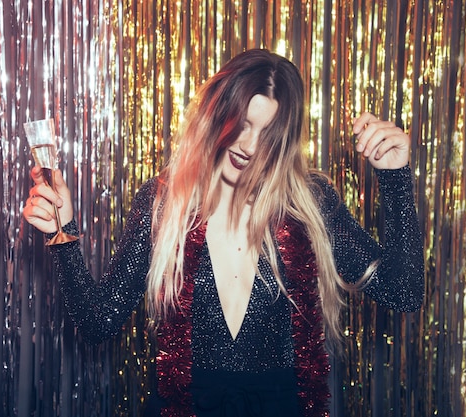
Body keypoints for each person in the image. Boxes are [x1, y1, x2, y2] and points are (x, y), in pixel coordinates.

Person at [23, 49, 424, 417]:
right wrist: (64, 231)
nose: (248, 146)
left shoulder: (309, 204)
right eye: (243, 124)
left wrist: (395, 178)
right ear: (219, 111)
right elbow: (98, 322)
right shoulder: (163, 203)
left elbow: (403, 291)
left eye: (265, 134)